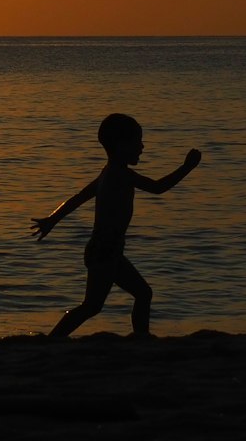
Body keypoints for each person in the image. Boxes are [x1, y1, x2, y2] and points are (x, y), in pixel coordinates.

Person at [31, 113, 201, 339]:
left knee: (140, 294)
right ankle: (54, 339)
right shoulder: (120, 175)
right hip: (105, 250)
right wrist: (187, 167)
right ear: (121, 146)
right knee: (94, 305)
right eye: (137, 142)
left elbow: (78, 198)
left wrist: (52, 220)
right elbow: (158, 188)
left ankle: (140, 338)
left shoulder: (108, 173)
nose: (142, 147)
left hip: (107, 250)